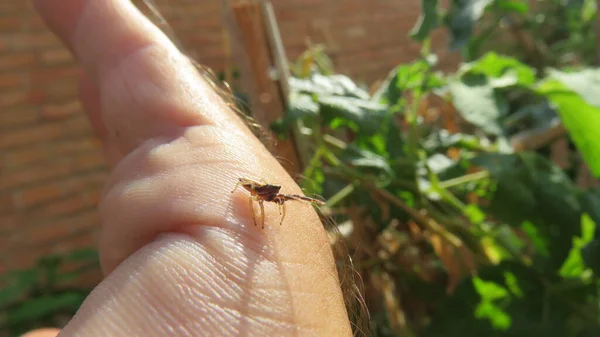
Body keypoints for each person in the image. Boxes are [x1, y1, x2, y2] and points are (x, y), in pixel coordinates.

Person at [24, 1, 352, 336]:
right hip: (249, 193)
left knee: (291, 203)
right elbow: (249, 195)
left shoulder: (268, 201)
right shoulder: (248, 194)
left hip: (255, 196)